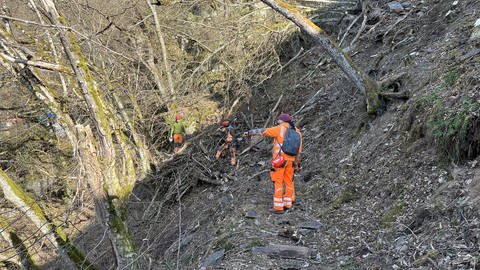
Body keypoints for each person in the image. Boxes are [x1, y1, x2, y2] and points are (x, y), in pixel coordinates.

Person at [243, 113, 302, 214]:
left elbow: (264, 131)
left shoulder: (280, 128)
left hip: (280, 161)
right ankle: (288, 203)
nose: (277, 121)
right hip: (291, 161)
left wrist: (249, 132)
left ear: (282, 121)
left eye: (279, 120)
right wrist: (296, 164)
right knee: (289, 181)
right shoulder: (297, 132)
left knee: (277, 181)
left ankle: (278, 207)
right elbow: (298, 151)